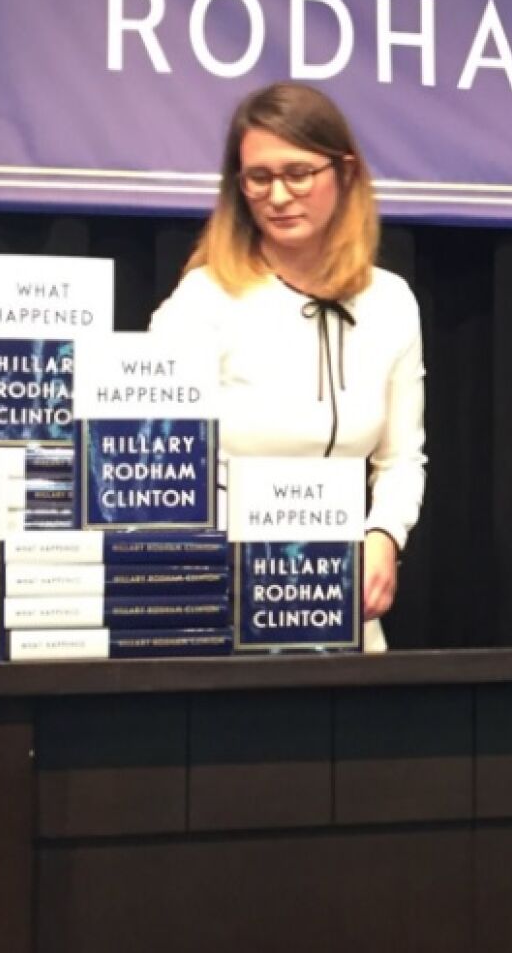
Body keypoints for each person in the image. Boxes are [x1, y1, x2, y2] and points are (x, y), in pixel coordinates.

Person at [150, 82, 425, 653]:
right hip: (222, 607)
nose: (278, 195)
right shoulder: (204, 299)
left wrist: (383, 536)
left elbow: (401, 459)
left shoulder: (391, 302)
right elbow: (160, 461)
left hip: (339, 610)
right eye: (259, 178)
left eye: (298, 174)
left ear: (345, 173)